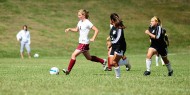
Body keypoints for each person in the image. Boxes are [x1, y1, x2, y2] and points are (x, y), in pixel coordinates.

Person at [62, 9, 107, 75]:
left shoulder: (88, 22)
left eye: (79, 15)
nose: (78, 16)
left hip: (84, 43)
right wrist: (69, 29)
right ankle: (103, 61)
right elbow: (76, 29)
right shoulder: (80, 22)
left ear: (84, 15)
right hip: (81, 43)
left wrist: (93, 38)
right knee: (89, 58)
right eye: (78, 15)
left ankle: (68, 70)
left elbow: (96, 30)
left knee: (73, 55)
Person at [109, 13, 128, 78]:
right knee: (111, 63)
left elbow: (119, 38)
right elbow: (112, 36)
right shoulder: (112, 26)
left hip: (120, 46)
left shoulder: (119, 28)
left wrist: (111, 43)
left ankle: (118, 77)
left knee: (114, 62)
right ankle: (125, 62)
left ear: (112, 20)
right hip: (114, 46)